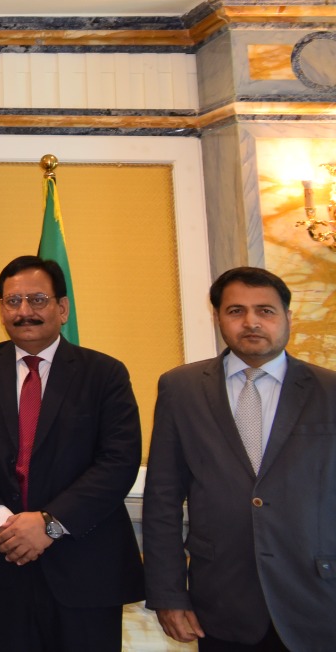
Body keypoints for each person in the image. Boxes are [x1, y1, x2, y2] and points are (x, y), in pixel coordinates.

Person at [0, 254, 143, 652]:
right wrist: (2, 524)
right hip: (1, 559)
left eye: (37, 300)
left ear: (62, 308)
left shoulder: (105, 374)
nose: (24, 312)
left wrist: (49, 524)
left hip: (86, 564)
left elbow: (118, 462)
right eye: (12, 301)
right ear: (1, 309)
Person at [144, 265, 336, 651]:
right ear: (217, 317)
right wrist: (168, 593)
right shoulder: (181, 389)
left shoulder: (329, 391)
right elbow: (163, 497)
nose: (251, 322)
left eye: (265, 310)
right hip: (221, 600)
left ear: (287, 317)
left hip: (317, 596)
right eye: (236, 311)